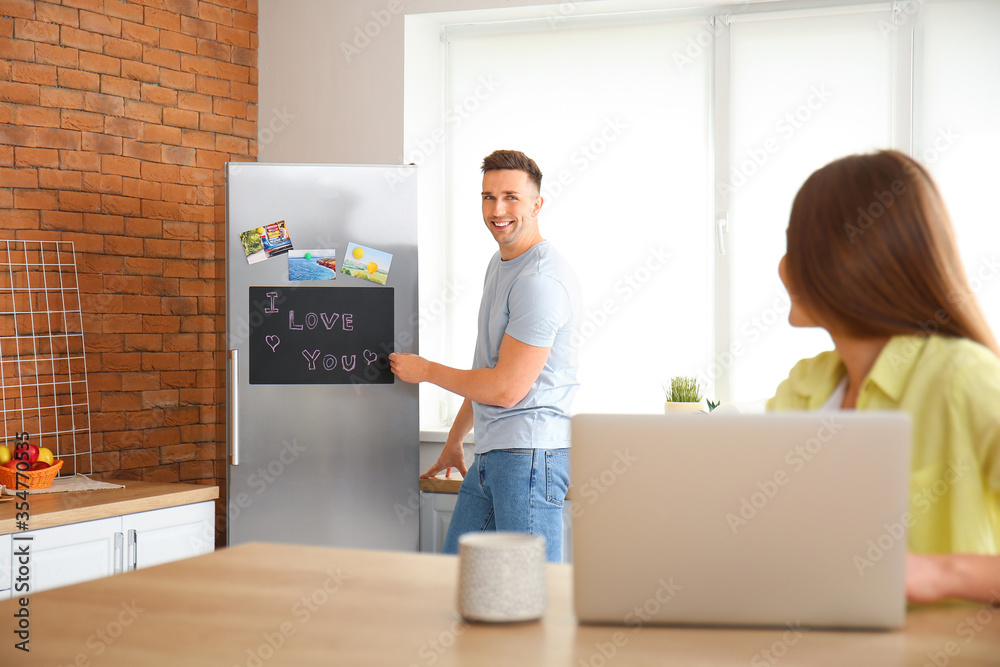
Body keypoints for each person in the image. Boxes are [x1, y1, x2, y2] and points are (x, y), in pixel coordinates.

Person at [767, 149, 1000, 603]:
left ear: (849, 258)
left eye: (797, 245)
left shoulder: (963, 379)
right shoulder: (804, 386)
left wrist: (940, 574)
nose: (783, 266)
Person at [389, 149, 582, 562]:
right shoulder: (500, 264)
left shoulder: (539, 281)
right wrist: (456, 439)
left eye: (511, 197)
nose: (497, 209)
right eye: (488, 197)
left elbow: (507, 388)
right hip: (495, 453)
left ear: (537, 204)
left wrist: (425, 371)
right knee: (455, 576)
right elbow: (487, 371)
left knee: (531, 585)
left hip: (529, 457)